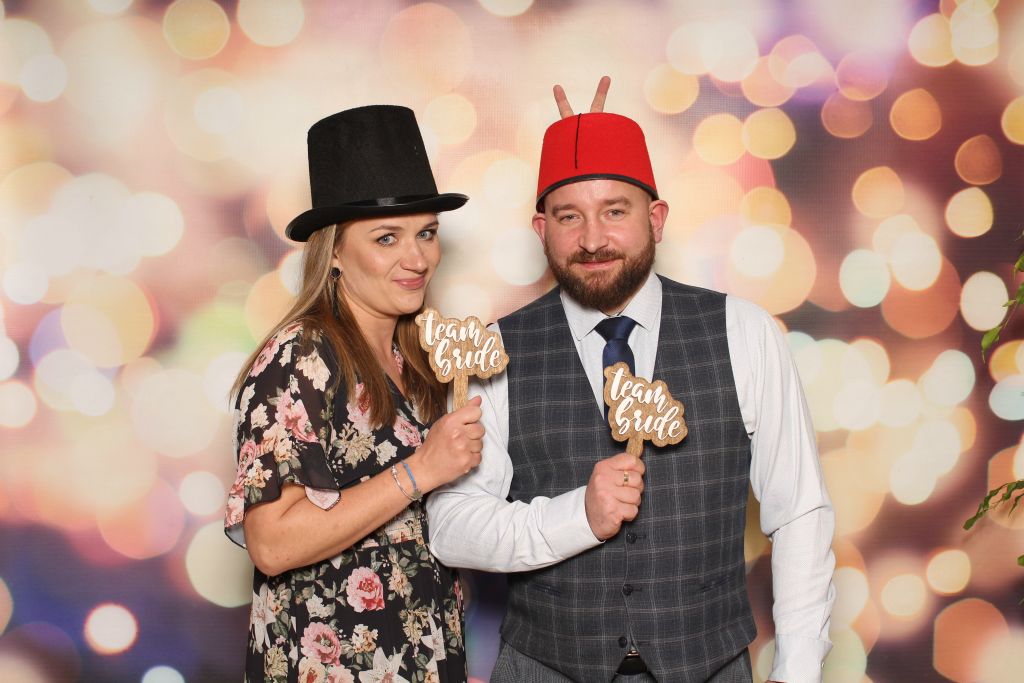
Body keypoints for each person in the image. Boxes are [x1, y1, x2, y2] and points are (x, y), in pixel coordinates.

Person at [426, 81, 836, 682]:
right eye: (569, 216)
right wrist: (578, 516)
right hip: (544, 667)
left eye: (615, 211)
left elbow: (799, 511)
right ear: (541, 229)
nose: (593, 240)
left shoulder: (743, 332)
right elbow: (451, 527)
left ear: (657, 218)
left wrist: (797, 671)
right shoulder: (493, 352)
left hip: (710, 667)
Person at [224, 105, 483, 683]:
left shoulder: (418, 359)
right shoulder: (299, 358)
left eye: (426, 233)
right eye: (387, 238)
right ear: (335, 251)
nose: (418, 258)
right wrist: (420, 470)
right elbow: (272, 543)